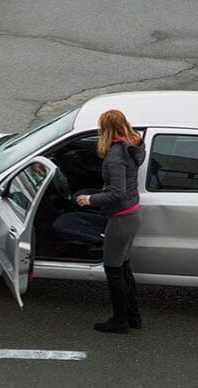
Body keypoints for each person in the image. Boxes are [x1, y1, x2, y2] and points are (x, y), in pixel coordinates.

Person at [76, 110, 146, 334]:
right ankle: (133, 316)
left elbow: (117, 192)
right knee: (124, 268)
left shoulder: (116, 155)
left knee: (113, 270)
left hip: (121, 218)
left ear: (105, 128)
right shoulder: (133, 145)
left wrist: (90, 200)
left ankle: (119, 321)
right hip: (132, 214)